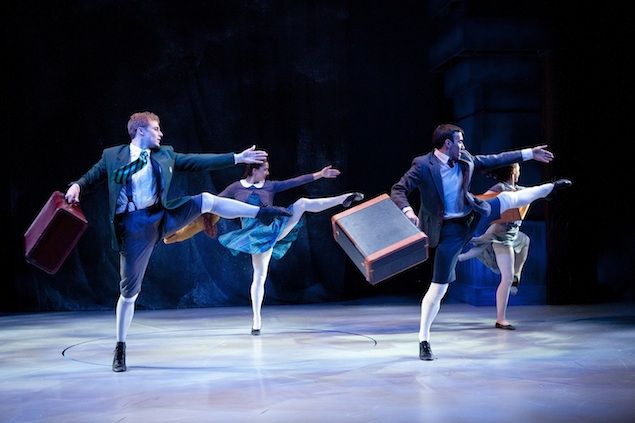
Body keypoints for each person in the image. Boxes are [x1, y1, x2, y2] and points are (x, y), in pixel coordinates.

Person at [64, 111, 292, 372]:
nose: (161, 133)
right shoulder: (112, 155)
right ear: (140, 131)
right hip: (134, 227)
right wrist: (77, 186)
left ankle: (259, 213)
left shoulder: (165, 154)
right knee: (129, 293)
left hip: (163, 215)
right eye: (156, 128)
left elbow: (198, 161)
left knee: (207, 200)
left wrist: (236, 158)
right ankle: (120, 347)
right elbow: (91, 177)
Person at [390, 123, 572, 361]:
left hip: (471, 214)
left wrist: (529, 153)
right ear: (447, 144)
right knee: (439, 287)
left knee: (507, 199)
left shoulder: (465, 159)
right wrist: (408, 211)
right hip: (447, 230)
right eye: (459, 142)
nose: (463, 145)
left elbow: (496, 159)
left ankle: (550, 188)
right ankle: (424, 339)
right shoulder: (423, 165)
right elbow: (398, 189)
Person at [214, 159, 363, 335]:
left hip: (275, 229)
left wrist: (320, 174)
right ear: (254, 170)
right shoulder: (235, 188)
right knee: (259, 276)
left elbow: (295, 181)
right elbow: (215, 201)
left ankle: (343, 199)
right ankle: (256, 320)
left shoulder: (270, 186)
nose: (268, 173)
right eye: (265, 169)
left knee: (302, 203)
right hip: (254, 237)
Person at [457, 163, 531, 330]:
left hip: (513, 233)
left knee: (525, 241)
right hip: (501, 235)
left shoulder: (518, 189)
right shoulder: (500, 187)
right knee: (505, 275)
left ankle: (516, 276)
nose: (520, 172)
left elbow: (531, 193)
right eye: (518, 169)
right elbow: (482, 200)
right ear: (513, 171)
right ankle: (500, 318)